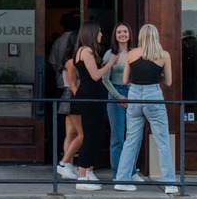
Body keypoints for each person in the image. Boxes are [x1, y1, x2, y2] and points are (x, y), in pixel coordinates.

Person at [113, 24, 179, 195]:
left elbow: (126, 79)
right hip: (153, 95)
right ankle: (170, 183)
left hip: (134, 94)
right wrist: (158, 73)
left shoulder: (132, 54)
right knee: (162, 141)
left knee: (131, 140)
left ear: (141, 36)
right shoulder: (164, 55)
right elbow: (169, 82)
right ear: (156, 36)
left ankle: (122, 179)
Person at [70, 21, 118, 190]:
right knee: (91, 135)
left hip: (91, 96)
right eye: (99, 32)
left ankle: (88, 170)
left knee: (96, 134)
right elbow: (95, 76)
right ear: (91, 33)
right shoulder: (87, 51)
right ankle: (82, 177)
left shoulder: (82, 51)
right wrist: (110, 64)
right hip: (89, 97)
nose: (101, 35)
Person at [103, 22, 137, 179]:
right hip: (115, 93)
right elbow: (105, 79)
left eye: (125, 31)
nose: (122, 34)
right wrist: (117, 96)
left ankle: (132, 171)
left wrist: (132, 95)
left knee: (133, 135)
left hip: (134, 94)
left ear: (130, 34)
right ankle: (117, 173)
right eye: (119, 32)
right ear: (115, 36)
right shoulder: (110, 54)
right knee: (117, 136)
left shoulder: (136, 52)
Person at [50, 13, 81, 179]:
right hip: (72, 93)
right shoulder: (74, 58)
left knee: (69, 133)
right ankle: (64, 163)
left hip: (61, 88)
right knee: (80, 134)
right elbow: (75, 83)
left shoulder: (58, 41)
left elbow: (53, 63)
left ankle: (67, 164)